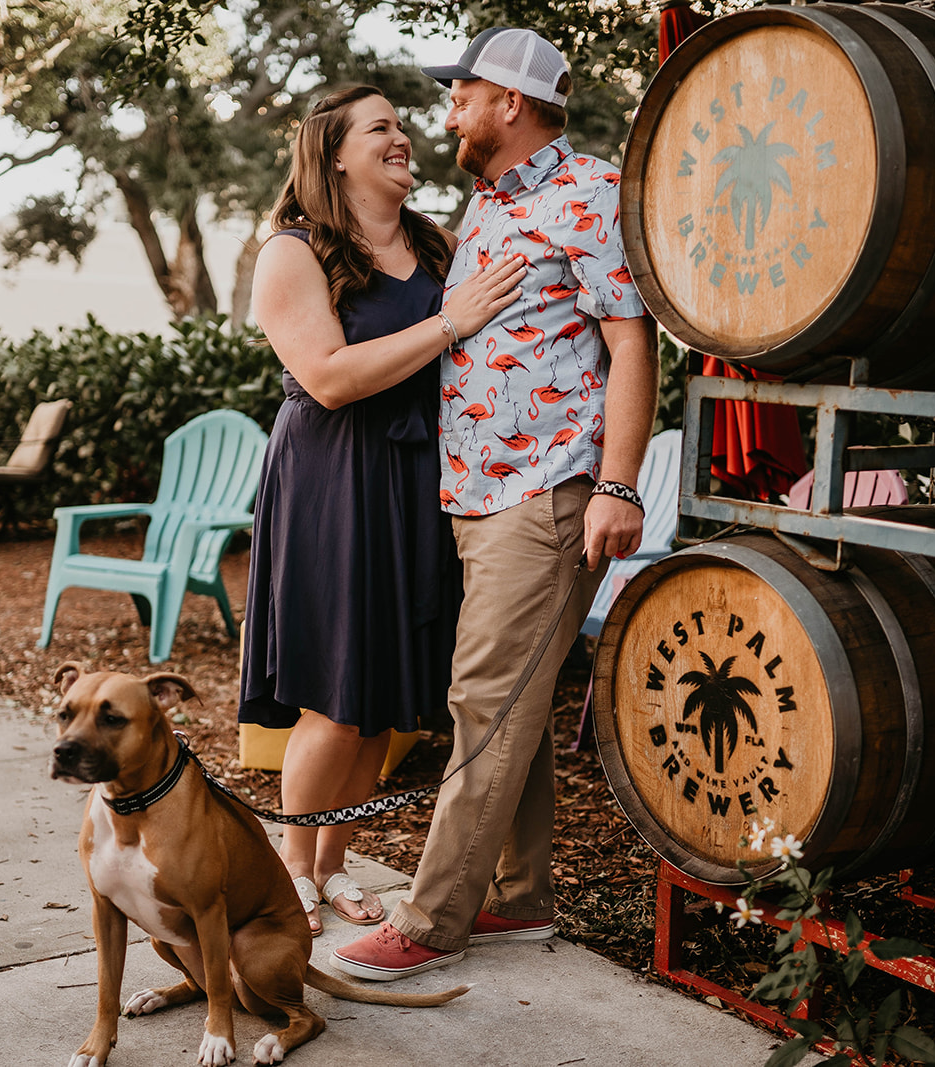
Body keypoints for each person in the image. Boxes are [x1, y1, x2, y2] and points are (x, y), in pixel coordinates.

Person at [332, 27, 659, 979]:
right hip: (475, 498)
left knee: (483, 697)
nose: (449, 114)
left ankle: (432, 921)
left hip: (545, 494)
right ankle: (518, 900)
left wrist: (617, 484)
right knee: (505, 699)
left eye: (461, 95)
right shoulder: (486, 209)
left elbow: (632, 344)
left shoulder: (588, 195)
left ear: (509, 102)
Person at [240, 85, 529, 937]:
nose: (404, 137)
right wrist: (450, 323)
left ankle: (333, 867)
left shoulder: (439, 244)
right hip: (334, 478)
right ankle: (292, 869)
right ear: (333, 152)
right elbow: (328, 376)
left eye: (404, 126)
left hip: (415, 480)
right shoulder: (292, 251)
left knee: (388, 697)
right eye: (382, 128)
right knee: (336, 695)